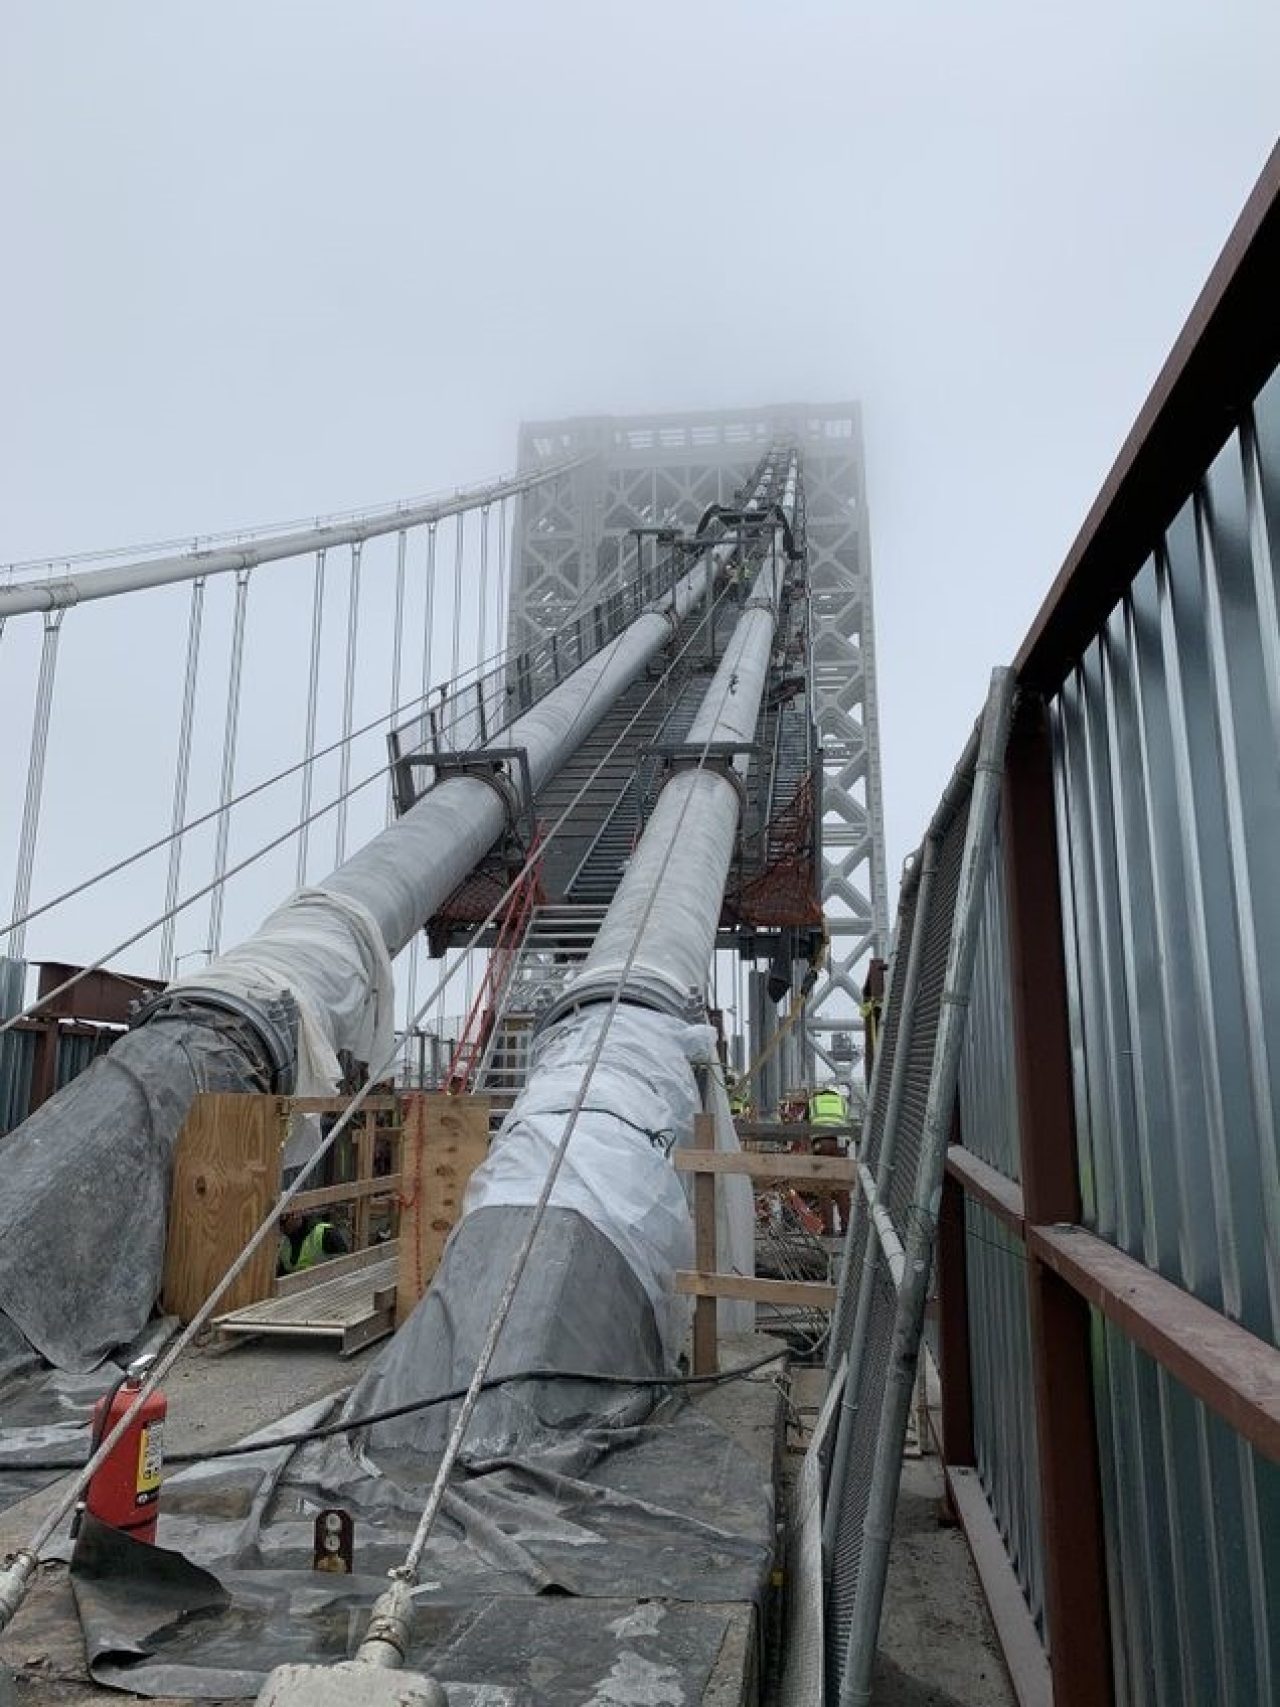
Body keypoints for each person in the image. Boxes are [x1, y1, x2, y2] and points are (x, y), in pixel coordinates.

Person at [807, 1083, 852, 1237]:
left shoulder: (814, 1101)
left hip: (821, 1143)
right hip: (840, 1145)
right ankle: (846, 1228)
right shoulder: (842, 1102)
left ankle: (828, 1229)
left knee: (824, 1187)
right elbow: (847, 1122)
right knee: (842, 1188)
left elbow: (807, 1123)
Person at [277, 1209, 350, 1276]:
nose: (280, 1228)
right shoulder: (285, 1242)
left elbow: (344, 1268)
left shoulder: (325, 1233)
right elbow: (283, 1274)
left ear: (295, 1214)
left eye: (282, 1220)